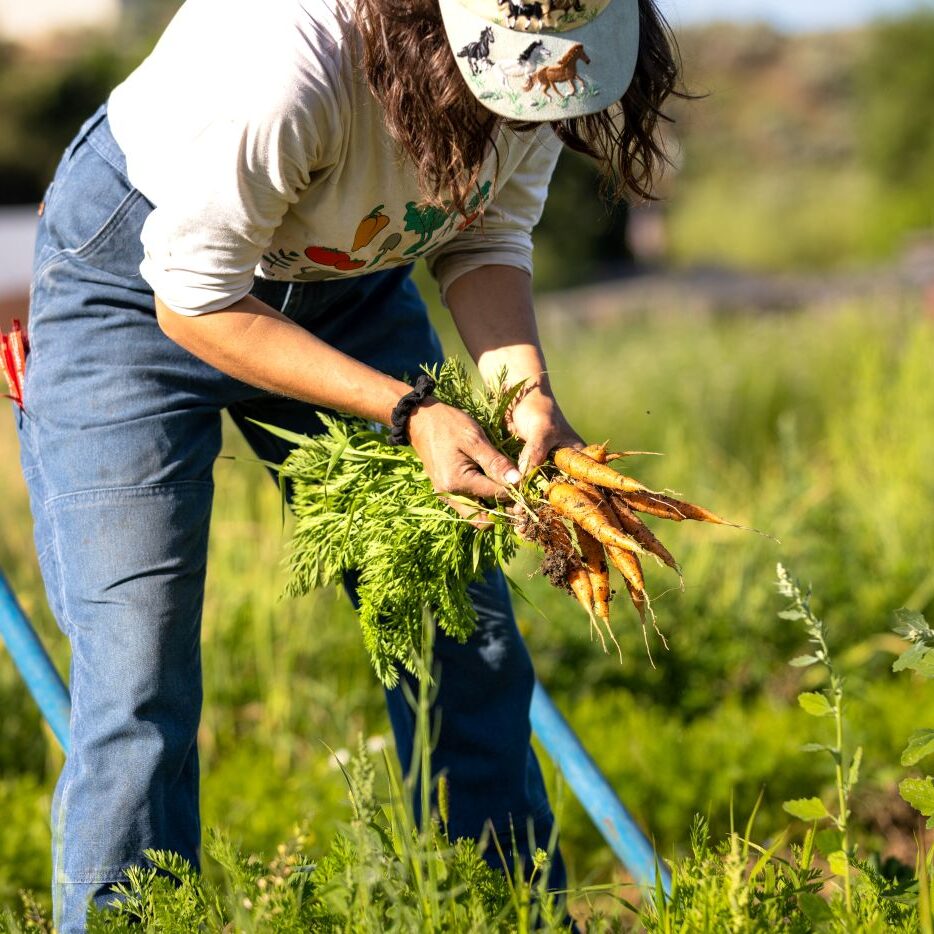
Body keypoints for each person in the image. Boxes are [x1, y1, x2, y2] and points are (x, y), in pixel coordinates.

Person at [14, 0, 679, 927]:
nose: (532, 107)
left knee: (465, 632)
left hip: (344, 285)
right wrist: (409, 409)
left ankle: (497, 913)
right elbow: (197, 301)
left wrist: (528, 394)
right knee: (137, 673)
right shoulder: (286, 64)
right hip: (143, 295)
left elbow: (482, 237)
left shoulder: (541, 71)